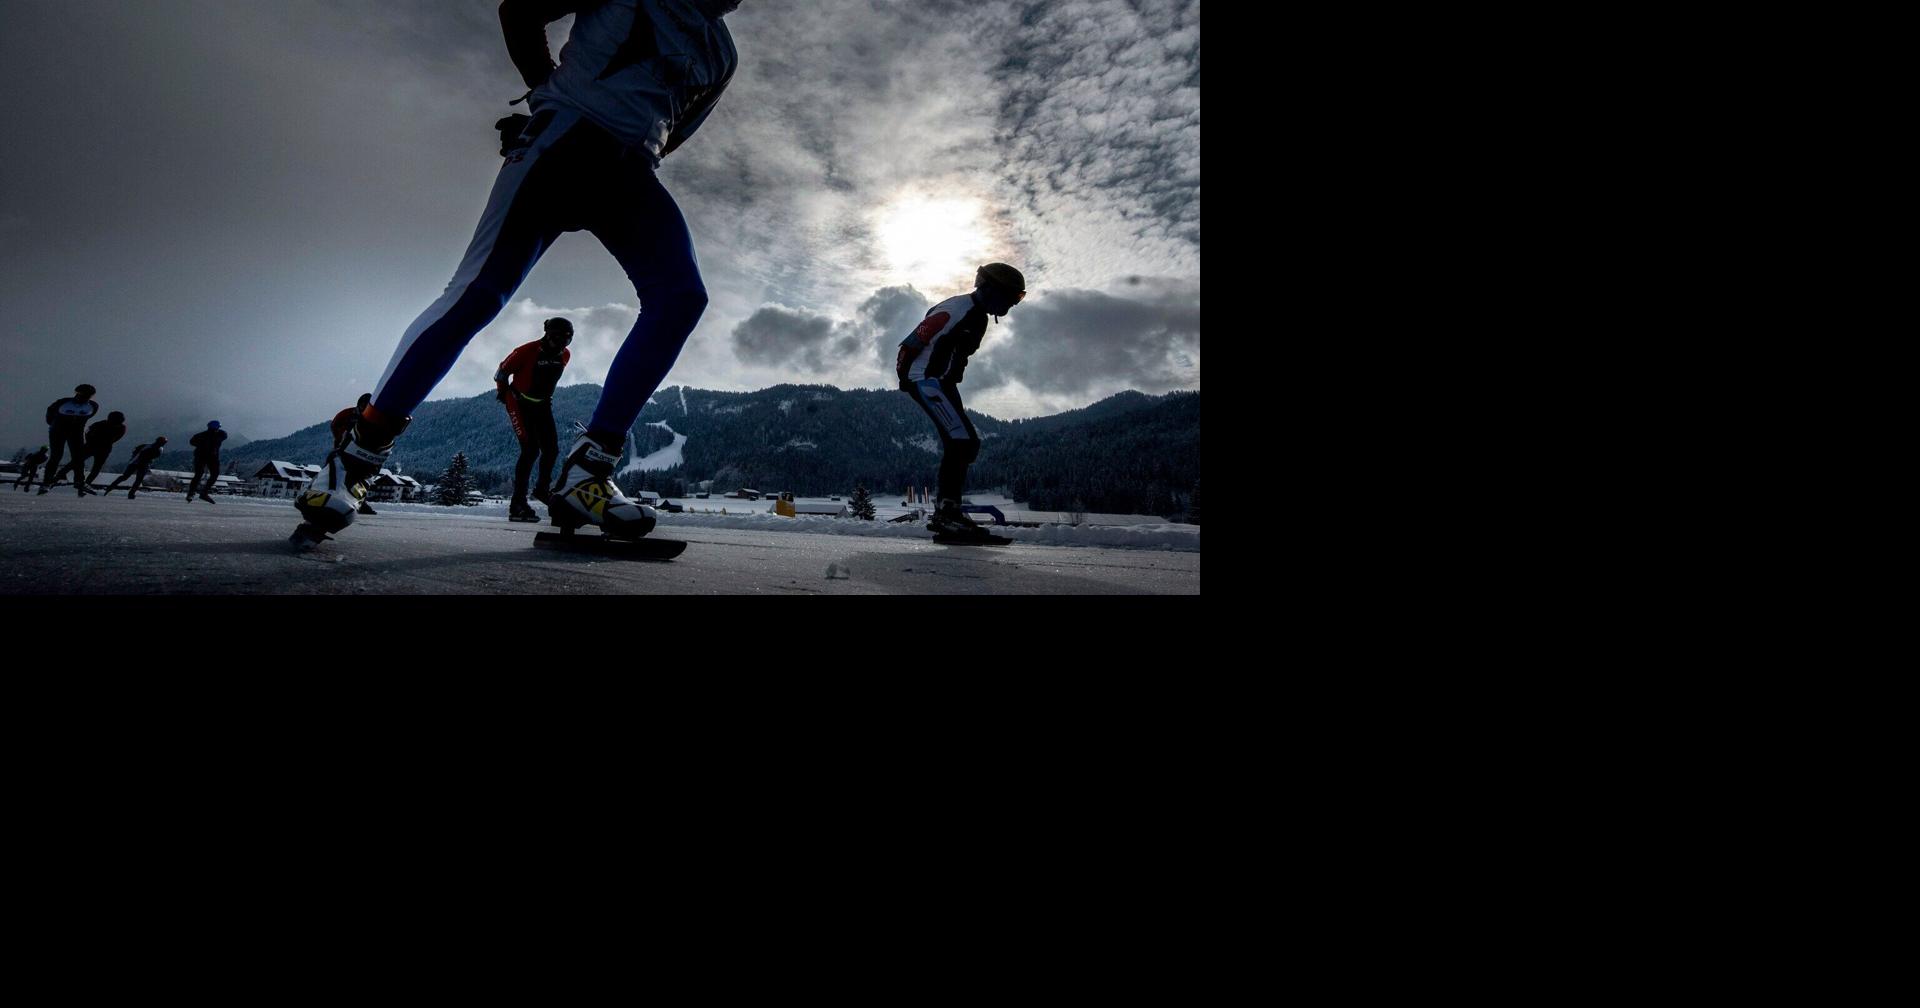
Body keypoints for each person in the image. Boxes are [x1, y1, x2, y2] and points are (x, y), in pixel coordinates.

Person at [296, 0, 740, 547]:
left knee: (680, 298)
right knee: (480, 294)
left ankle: (588, 471)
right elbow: (522, 9)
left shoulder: (724, 53)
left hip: (630, 169)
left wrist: (630, 142)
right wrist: (545, 94)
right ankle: (357, 455)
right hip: (563, 138)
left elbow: (678, 124)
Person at [896, 263, 1025, 538]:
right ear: (992, 290)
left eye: (1017, 299)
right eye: (1012, 297)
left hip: (942, 383)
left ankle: (949, 512)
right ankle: (947, 516)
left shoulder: (979, 316)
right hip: (927, 380)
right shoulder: (958, 309)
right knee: (961, 442)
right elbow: (912, 341)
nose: (1013, 304)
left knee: (966, 444)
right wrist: (906, 377)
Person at [496, 318, 573, 521]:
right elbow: (502, 372)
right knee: (530, 451)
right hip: (518, 402)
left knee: (552, 449)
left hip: (542, 403)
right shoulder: (526, 351)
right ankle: (517, 505)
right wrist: (503, 393)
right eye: (557, 339)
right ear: (547, 334)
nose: (561, 345)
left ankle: (541, 489)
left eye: (566, 340)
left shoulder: (565, 355)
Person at [39, 384, 98, 495]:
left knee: (78, 457)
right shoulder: (62, 402)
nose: (84, 398)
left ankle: (79, 481)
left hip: (76, 432)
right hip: (58, 431)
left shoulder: (93, 406)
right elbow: (50, 414)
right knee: (56, 456)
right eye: (82, 395)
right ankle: (46, 483)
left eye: (87, 396)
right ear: (77, 393)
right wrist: (54, 425)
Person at [52, 410, 127, 493]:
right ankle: (84, 483)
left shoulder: (103, 424)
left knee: (76, 462)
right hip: (101, 448)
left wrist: (91, 441)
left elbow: (88, 431)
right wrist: (96, 441)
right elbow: (113, 439)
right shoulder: (120, 428)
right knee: (91, 467)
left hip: (93, 447)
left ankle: (58, 478)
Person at [331, 394, 379, 514]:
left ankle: (359, 502)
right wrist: (340, 438)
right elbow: (335, 425)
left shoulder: (372, 418)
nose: (365, 407)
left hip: (361, 453)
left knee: (360, 479)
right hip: (344, 450)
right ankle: (332, 498)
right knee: (338, 474)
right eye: (364, 405)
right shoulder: (348, 414)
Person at [186, 421, 227, 502]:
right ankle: (203, 492)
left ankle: (191, 493)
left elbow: (192, 441)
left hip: (201, 456)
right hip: (211, 457)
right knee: (214, 474)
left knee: (198, 475)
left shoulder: (201, 435)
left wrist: (200, 445)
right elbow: (224, 435)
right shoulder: (219, 435)